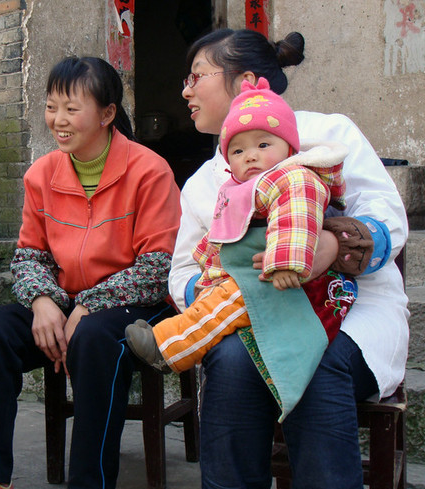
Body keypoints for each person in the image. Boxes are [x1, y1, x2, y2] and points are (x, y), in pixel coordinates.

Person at [168, 28, 408, 489]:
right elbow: (181, 273)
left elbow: (389, 219)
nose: (186, 91)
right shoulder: (201, 183)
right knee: (232, 363)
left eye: (197, 76)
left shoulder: (329, 136)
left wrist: (333, 247)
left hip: (353, 313)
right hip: (250, 323)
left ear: (246, 81)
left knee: (313, 361)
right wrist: (229, 293)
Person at [0, 56, 182, 489]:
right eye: (51, 106)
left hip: (137, 302)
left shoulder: (149, 170)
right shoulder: (42, 174)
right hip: (65, 297)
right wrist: (43, 301)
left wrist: (87, 305)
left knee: (96, 339)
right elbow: (28, 256)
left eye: (71, 109)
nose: (58, 121)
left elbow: (158, 268)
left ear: (107, 113)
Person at [126, 77, 354, 377]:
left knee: (226, 304)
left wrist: (287, 263)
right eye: (237, 151)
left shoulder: (295, 177)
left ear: (289, 148)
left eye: (263, 144)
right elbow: (221, 232)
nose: (251, 155)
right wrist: (209, 266)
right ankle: (172, 340)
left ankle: (169, 348)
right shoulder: (240, 188)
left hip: (291, 281)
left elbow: (298, 216)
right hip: (260, 276)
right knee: (218, 302)